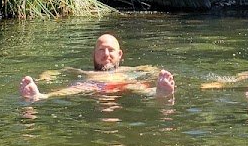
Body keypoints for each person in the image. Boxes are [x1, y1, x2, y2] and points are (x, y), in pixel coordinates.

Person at [19, 34, 175, 103]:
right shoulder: (86, 73)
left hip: (122, 84)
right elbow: (59, 71)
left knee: (138, 85)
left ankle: (159, 92)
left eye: (111, 50)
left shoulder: (127, 70)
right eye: (101, 50)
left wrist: (156, 74)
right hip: (93, 86)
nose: (106, 54)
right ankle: (41, 96)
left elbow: (151, 69)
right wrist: (46, 76)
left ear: (120, 54)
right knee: (75, 88)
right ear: (93, 54)